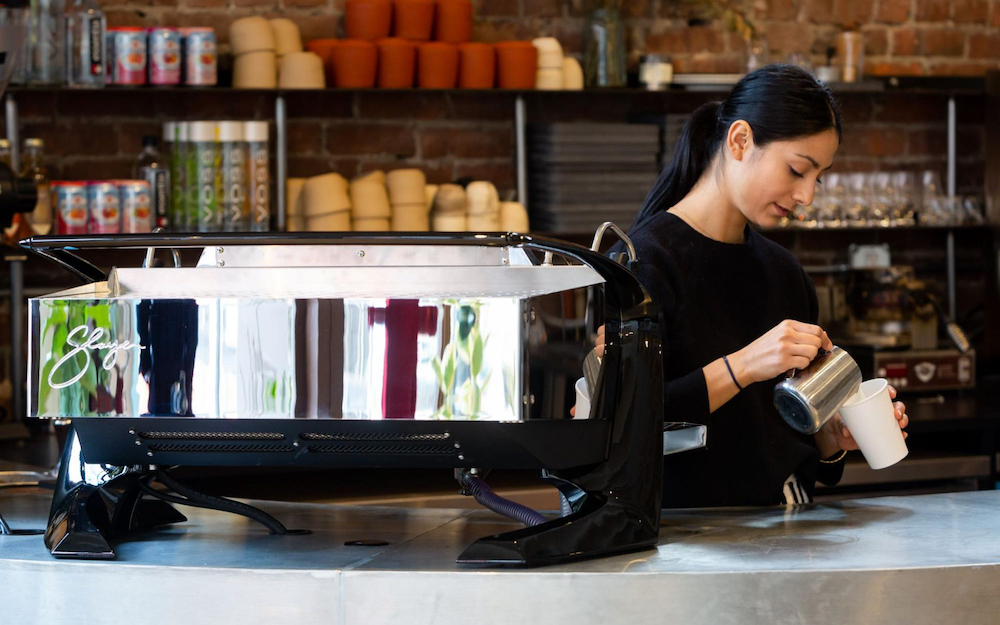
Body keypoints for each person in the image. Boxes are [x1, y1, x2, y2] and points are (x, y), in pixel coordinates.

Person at [599, 64, 909, 507]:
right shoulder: (640, 265)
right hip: (686, 545)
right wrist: (745, 364)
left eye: (817, 178)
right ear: (740, 141)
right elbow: (624, 426)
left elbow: (788, 443)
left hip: (788, 534)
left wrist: (835, 436)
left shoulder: (786, 273)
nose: (807, 197)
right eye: (797, 170)